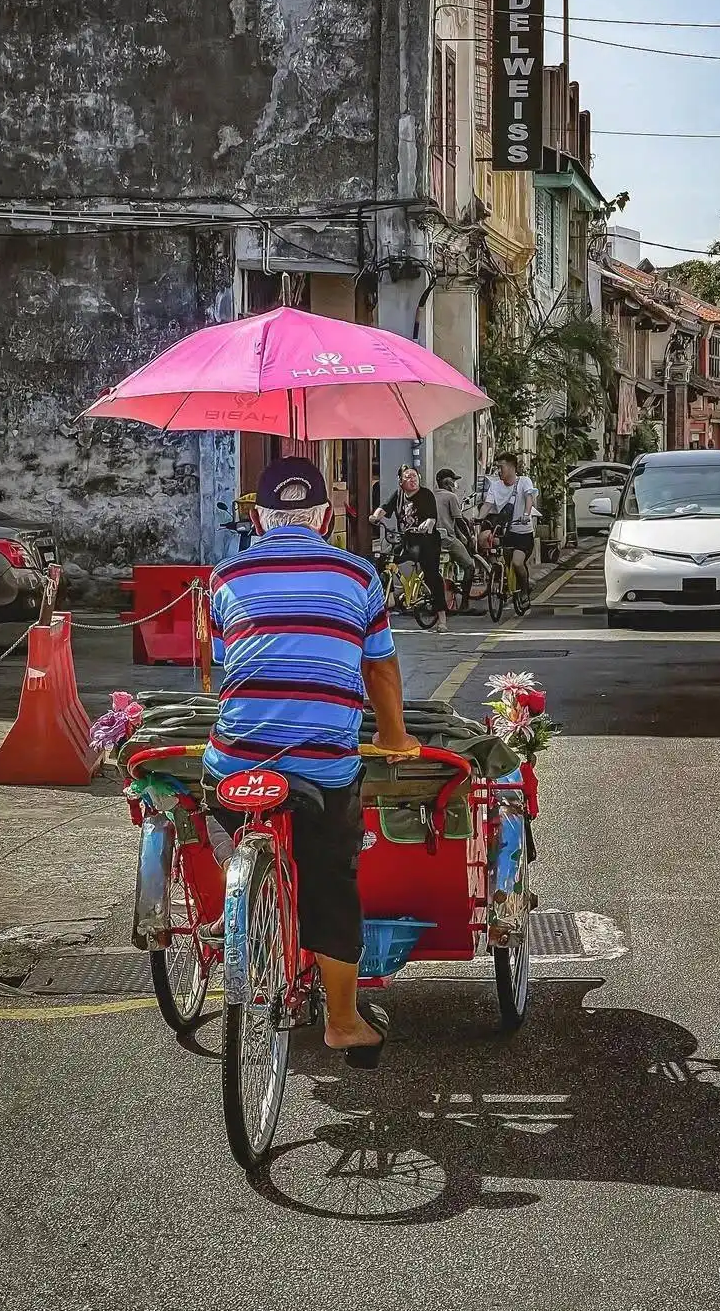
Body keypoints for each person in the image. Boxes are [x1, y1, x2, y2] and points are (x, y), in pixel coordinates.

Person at [202, 457, 419, 1068]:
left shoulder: (226, 575)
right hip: (323, 765)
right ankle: (344, 1023)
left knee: (218, 798)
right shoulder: (358, 575)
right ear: (326, 517)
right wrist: (397, 739)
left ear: (258, 518)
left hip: (236, 760)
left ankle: (241, 890)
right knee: (330, 877)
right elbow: (378, 668)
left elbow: (228, 666)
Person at [370, 466, 448, 632]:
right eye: (408, 477)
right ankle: (390, 598)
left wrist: (427, 524)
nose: (412, 479)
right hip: (406, 539)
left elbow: (431, 517)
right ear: (400, 482)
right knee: (384, 560)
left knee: (432, 575)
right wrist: (375, 516)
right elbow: (385, 507)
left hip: (427, 541)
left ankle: (442, 618)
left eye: (415, 476)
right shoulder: (398, 495)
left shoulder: (426, 495)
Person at [478, 452, 539, 596]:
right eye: (497, 467)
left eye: (501, 467)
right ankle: (500, 581)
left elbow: (529, 498)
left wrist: (526, 515)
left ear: (512, 468)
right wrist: (479, 519)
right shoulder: (495, 486)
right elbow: (487, 505)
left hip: (523, 533)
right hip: (506, 532)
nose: (499, 471)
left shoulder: (524, 481)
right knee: (495, 551)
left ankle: (524, 592)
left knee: (518, 563)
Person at [434, 468, 479, 613]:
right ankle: (464, 604)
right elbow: (459, 522)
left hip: (430, 539)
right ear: (447, 482)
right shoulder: (450, 497)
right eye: (453, 481)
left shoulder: (429, 495)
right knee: (469, 566)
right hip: (446, 539)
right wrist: (470, 539)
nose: (454, 484)